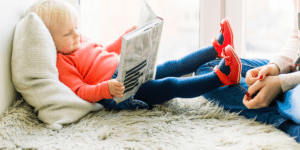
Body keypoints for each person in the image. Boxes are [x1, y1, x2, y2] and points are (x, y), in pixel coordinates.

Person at [26, 0, 242, 111]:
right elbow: (81, 91)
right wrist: (106, 89)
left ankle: (216, 48)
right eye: (68, 33)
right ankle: (222, 76)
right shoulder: (61, 62)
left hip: (129, 69)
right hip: (121, 91)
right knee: (170, 85)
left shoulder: (80, 41)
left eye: (76, 27)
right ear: (49, 39)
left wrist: (128, 36)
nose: (77, 34)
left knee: (172, 65)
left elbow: (105, 51)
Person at [195, 0, 300, 143]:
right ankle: (283, 109)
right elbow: (296, 37)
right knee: (210, 73)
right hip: (294, 69)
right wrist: (274, 67)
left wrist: (281, 84)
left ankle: (284, 123)